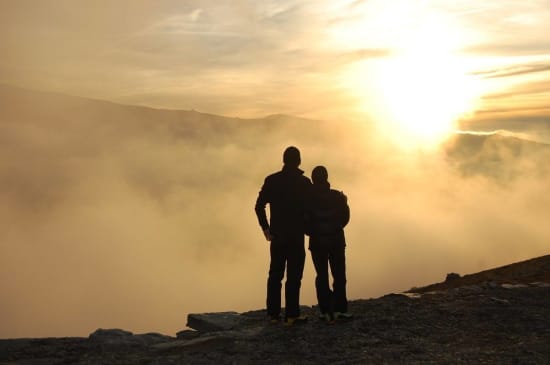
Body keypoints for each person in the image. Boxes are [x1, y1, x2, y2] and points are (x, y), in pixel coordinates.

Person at [255, 146, 312, 325]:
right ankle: (292, 315)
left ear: (284, 160)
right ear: (299, 161)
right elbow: (311, 208)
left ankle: (273, 315)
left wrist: (266, 229)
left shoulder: (272, 181)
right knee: (294, 276)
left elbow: (259, 206)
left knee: (275, 275)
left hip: (278, 235)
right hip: (296, 236)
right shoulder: (304, 183)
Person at [305, 165, 351, 322]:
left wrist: (314, 232)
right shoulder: (338, 196)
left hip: (317, 243)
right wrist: (335, 228)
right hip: (337, 241)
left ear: (313, 179)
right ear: (326, 178)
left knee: (322, 276)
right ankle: (340, 310)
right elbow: (345, 218)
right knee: (339, 276)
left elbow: (305, 224)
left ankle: (325, 311)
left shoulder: (308, 200)